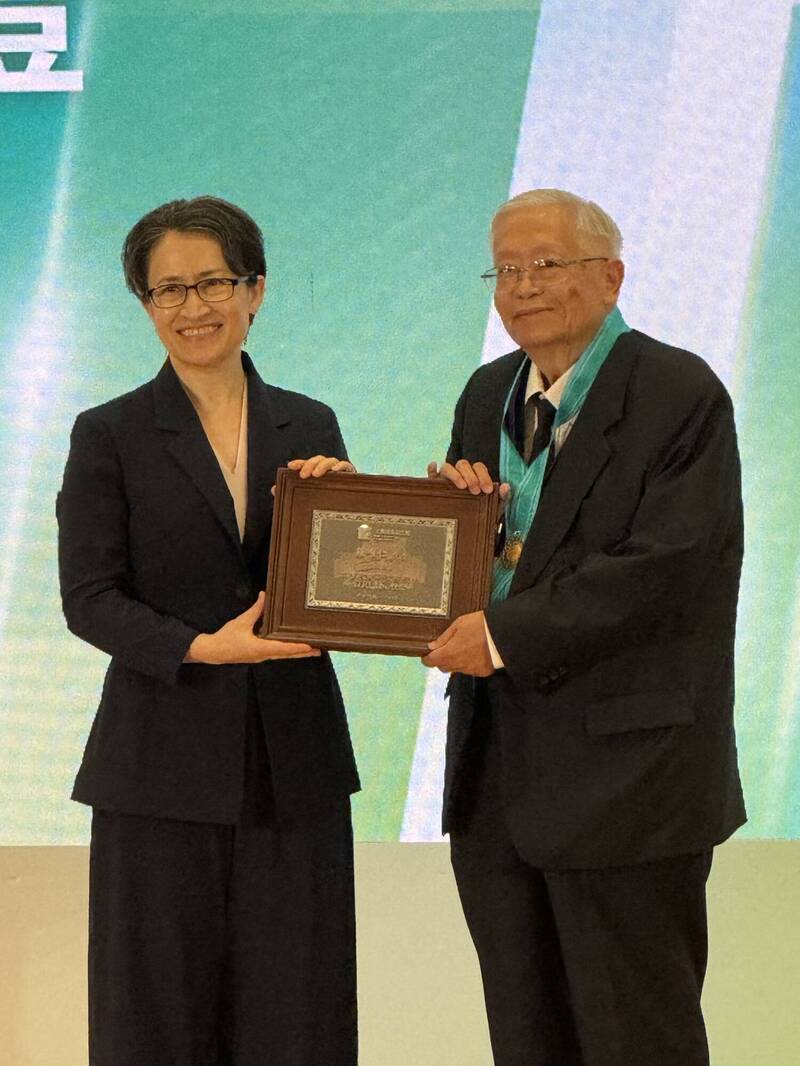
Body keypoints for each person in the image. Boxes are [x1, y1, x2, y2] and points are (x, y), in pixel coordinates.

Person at [423, 188, 745, 1066]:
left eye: (546, 264)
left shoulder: (677, 391)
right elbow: (481, 555)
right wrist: (443, 535)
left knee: (636, 1038)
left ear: (611, 277)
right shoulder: (487, 392)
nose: (523, 286)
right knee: (525, 1036)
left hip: (629, 782)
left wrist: (500, 637)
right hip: (496, 778)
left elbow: (666, 567)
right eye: (506, 269)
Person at [57, 196, 360, 1066]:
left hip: (293, 763)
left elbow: (337, 586)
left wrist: (345, 516)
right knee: (155, 1017)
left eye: (215, 283)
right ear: (146, 303)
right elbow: (89, 597)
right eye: (169, 289)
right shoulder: (107, 433)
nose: (194, 307)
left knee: (299, 1017)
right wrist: (200, 647)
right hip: (157, 766)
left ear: (255, 290)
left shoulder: (310, 422)